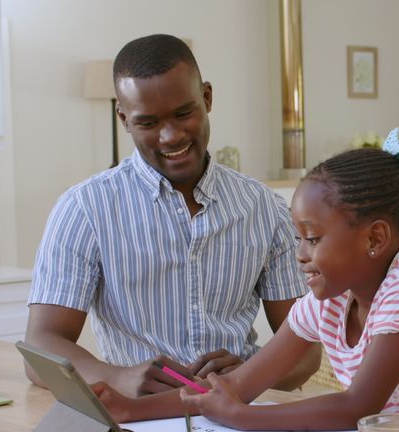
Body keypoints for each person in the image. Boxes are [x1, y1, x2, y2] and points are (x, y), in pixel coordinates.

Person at [91, 129, 399, 431]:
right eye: (298, 238)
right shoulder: (330, 298)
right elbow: (239, 383)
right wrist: (131, 410)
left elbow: (357, 407)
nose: (300, 254)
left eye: (312, 239)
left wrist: (242, 417)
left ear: (375, 238)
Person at [25, 34, 318, 397]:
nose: (170, 136)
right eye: (148, 123)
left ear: (207, 98)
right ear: (124, 118)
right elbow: (40, 346)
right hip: (137, 420)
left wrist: (251, 372)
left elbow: (306, 354)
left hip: (242, 416)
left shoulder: (266, 209)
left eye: (184, 113)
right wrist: (117, 377)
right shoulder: (84, 210)